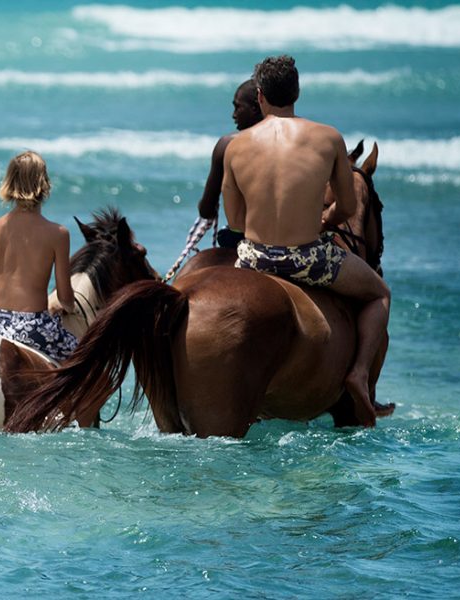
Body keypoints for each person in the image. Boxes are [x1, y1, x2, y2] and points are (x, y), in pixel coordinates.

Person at [222, 55, 391, 426]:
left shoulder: (236, 146)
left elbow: (235, 220)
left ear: (260, 96)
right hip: (307, 258)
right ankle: (359, 374)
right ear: (296, 93)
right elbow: (346, 207)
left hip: (252, 259)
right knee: (380, 293)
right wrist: (322, 221)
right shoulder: (328, 138)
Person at [0, 150, 78, 363]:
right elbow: (65, 297)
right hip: (33, 327)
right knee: (84, 357)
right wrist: (69, 308)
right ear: (44, 183)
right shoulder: (58, 233)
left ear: (10, 182)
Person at [164, 80, 263, 280]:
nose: (233, 114)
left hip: (239, 242)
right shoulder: (288, 143)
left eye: (237, 107)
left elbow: (206, 209)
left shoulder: (227, 144)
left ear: (255, 108)